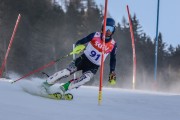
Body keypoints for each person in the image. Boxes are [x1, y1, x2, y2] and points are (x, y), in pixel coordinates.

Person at [42, 18, 117, 98]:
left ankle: (63, 89)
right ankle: (46, 84)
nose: (108, 31)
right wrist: (79, 47)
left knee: (84, 79)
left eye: (111, 28)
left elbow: (113, 59)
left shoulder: (113, 44)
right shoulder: (95, 35)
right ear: (102, 27)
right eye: (106, 28)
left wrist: (112, 71)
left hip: (93, 67)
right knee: (66, 72)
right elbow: (79, 42)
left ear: (113, 30)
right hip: (83, 60)